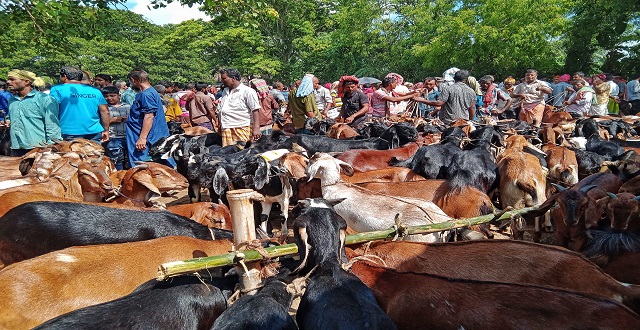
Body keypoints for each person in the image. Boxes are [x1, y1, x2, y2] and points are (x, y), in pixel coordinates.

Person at [5, 69, 61, 156]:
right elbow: (11, 117)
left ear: (26, 82)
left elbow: (53, 126)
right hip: (17, 148)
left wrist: (52, 147)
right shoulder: (12, 100)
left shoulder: (44, 99)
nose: (8, 82)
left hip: (39, 149)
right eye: (8, 79)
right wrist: (7, 122)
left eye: (12, 79)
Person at [125, 69, 173, 168]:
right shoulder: (149, 92)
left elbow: (149, 116)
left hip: (145, 139)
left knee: (142, 168)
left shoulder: (147, 94)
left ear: (134, 80)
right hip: (143, 136)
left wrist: (142, 138)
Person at [49, 66, 110, 143]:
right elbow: (105, 112)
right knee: (94, 154)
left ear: (64, 76)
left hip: (69, 132)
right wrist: (106, 130)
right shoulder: (95, 91)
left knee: (73, 155)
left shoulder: (57, 89)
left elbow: (52, 111)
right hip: (94, 131)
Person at [217, 68, 261, 146]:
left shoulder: (247, 91)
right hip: (226, 128)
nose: (222, 81)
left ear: (233, 78)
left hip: (241, 128)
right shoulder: (225, 91)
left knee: (241, 153)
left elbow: (255, 110)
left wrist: (256, 128)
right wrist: (221, 125)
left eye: (224, 78)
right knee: (227, 154)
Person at [102, 86, 130, 170]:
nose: (109, 98)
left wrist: (128, 119)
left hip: (128, 137)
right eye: (106, 96)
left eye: (112, 96)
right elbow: (99, 122)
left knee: (129, 159)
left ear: (119, 96)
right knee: (116, 160)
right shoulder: (103, 108)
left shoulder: (128, 107)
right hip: (113, 138)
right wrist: (111, 120)